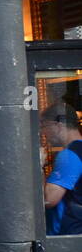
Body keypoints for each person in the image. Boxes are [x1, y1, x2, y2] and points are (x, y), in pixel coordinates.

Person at [40, 101, 82, 236]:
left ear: (58, 125)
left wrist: (39, 165)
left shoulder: (69, 155)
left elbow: (48, 199)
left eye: (45, 126)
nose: (43, 133)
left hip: (66, 234)